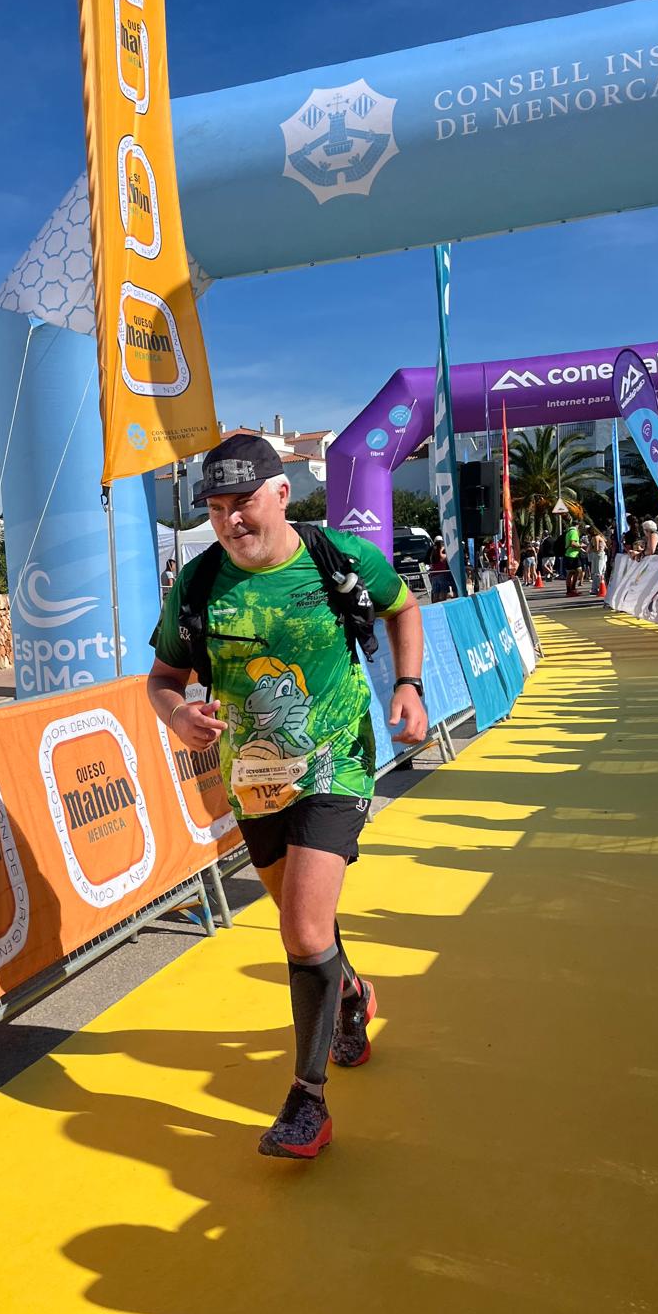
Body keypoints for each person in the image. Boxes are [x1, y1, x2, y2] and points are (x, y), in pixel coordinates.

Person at [147, 434, 428, 1161]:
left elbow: (403, 607)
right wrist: (179, 716)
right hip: (252, 780)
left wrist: (408, 684)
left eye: (243, 502)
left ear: (280, 493)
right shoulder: (198, 584)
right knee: (306, 925)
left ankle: (308, 1103)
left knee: (302, 931)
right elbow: (164, 679)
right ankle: (352, 995)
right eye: (216, 508)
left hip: (336, 765)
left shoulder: (339, 557)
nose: (230, 520)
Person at [428, 536, 454, 602]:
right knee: (443, 594)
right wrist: (444, 548)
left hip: (434, 576)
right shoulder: (441, 555)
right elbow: (444, 556)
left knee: (435, 595)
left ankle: (435, 606)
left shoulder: (432, 555)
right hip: (441, 576)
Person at [590, 527, 608, 594]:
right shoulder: (601, 537)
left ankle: (597, 588)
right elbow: (606, 547)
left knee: (597, 572)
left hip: (597, 555)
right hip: (602, 554)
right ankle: (600, 587)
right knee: (601, 572)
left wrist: (590, 549)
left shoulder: (596, 537)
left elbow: (596, 549)